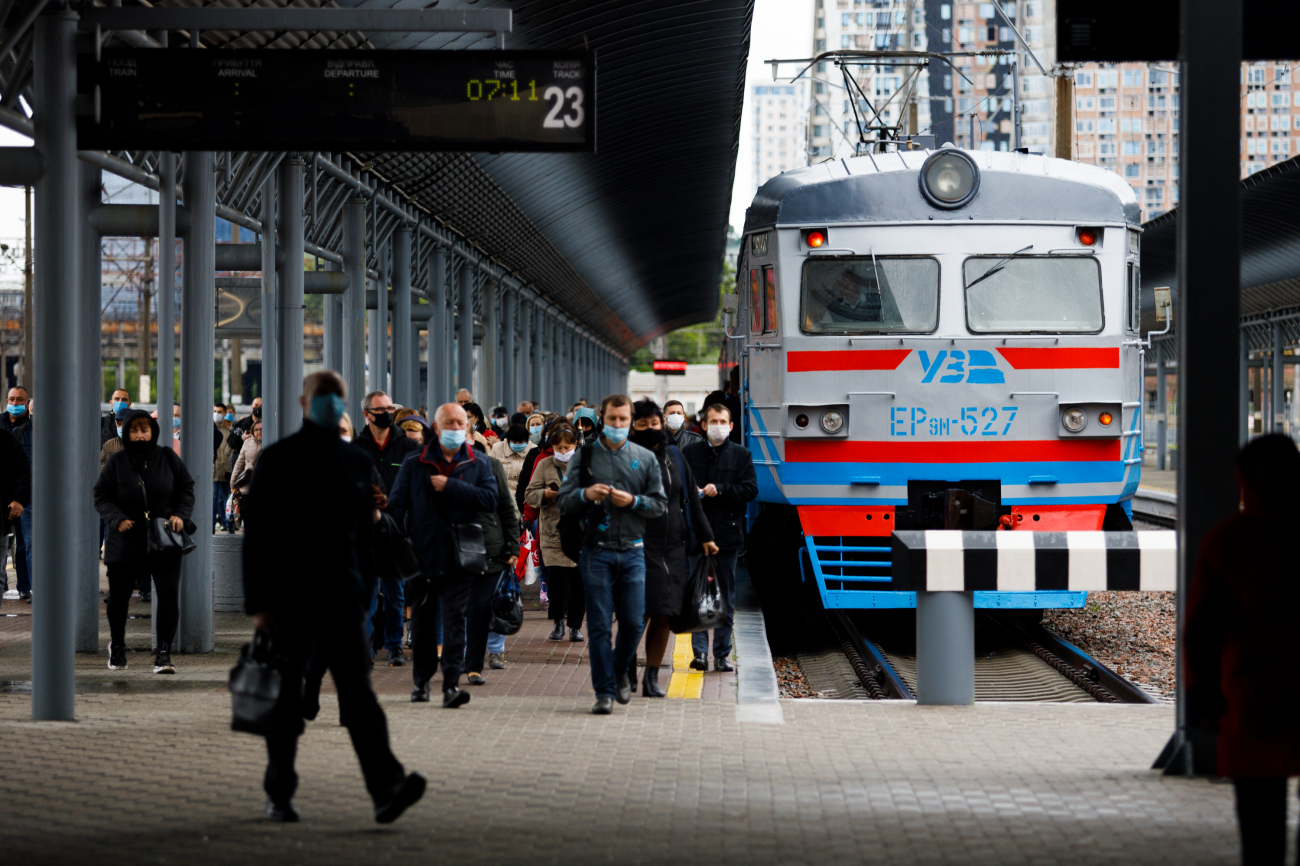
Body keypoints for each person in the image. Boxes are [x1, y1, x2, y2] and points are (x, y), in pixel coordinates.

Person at [242, 370, 425, 824]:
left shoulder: (356, 462)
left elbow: (363, 536)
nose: (329, 405)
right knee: (286, 699)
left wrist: (364, 592)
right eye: (323, 397)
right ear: (305, 403)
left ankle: (387, 788)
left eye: (335, 398)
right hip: (288, 598)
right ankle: (278, 792)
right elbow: (258, 537)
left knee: (359, 695)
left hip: (344, 596)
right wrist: (260, 606)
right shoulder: (278, 459)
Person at [1186, 434, 1300, 865]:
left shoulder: (1227, 541)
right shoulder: (1225, 544)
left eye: (1282, 476)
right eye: (1266, 477)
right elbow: (1201, 632)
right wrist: (1203, 690)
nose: (1276, 485)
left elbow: (1199, 629)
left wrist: (1204, 690)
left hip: (1254, 693)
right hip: (1255, 701)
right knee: (1261, 836)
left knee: (1261, 830)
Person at [557, 394, 666, 714]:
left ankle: (620, 671)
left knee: (633, 622)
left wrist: (632, 502)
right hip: (596, 551)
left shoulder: (644, 458)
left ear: (630, 421)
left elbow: (658, 504)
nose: (618, 425)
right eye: (612, 419)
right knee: (601, 625)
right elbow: (563, 501)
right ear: (602, 419)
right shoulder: (586, 456)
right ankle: (603, 691)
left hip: (633, 551)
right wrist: (584, 493)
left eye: (623, 419)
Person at [388, 402, 499, 708]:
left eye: (460, 423)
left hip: (462, 555)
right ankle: (421, 683)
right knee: (422, 623)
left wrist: (451, 486)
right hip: (421, 556)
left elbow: (490, 500)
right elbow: (397, 508)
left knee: (454, 620)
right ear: (435, 428)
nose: (454, 428)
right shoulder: (415, 462)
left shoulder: (478, 463)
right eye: (448, 423)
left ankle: (450, 685)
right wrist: (396, 544)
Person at [94, 410, 195, 674]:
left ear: (153, 432)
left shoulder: (167, 457)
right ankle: (117, 647)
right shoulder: (116, 462)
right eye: (134, 431)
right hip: (125, 538)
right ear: (126, 433)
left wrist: (180, 515)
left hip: (163, 537)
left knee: (168, 595)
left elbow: (186, 488)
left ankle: (163, 653)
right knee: (119, 598)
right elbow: (101, 495)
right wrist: (116, 518)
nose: (140, 435)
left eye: (144, 430)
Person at [629, 400, 717, 696]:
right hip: (638, 544)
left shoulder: (675, 456)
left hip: (674, 545)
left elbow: (692, 498)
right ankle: (627, 665)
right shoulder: (624, 457)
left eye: (655, 423)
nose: (651, 429)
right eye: (643, 424)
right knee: (639, 611)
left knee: (664, 612)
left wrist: (705, 536)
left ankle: (651, 677)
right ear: (633, 426)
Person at [681, 403, 757, 672]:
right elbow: (677, 488)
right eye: (713, 421)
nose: (718, 426)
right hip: (696, 536)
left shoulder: (741, 455)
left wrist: (722, 489)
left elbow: (750, 490)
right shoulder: (688, 454)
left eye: (723, 421)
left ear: (731, 426)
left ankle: (722, 655)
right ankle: (700, 653)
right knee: (699, 594)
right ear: (703, 425)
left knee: (725, 597)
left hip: (726, 535)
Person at [354, 390, 422, 668]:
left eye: (389, 408)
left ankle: (394, 646)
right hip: (364, 531)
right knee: (366, 594)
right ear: (366, 414)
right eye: (380, 409)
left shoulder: (407, 447)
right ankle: (367, 645)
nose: (386, 413)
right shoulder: (356, 448)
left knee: (396, 594)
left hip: (397, 531)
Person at [525, 423, 584, 642]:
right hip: (552, 531)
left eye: (567, 447)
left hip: (580, 532)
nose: (563, 451)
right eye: (558, 447)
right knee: (556, 581)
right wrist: (545, 494)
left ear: (575, 444)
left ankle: (575, 626)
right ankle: (558, 622)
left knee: (579, 583)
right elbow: (529, 494)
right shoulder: (544, 464)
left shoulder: (586, 464)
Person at [465, 452, 520, 682]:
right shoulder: (433, 465)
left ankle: (480, 661)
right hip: (452, 547)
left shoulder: (490, 465)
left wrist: (512, 546)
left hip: (490, 547)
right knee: (456, 608)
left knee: (486, 605)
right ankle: (460, 657)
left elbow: (507, 507)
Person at [4, 386, 32, 601]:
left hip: (24, 493)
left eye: (19, 400)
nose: (14, 404)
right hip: (6, 493)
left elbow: (25, 469)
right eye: (11, 399)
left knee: (24, 542)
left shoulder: (33, 427)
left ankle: (25, 585)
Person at [213, 404, 237, 533]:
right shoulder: (210, 429)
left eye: (219, 411)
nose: (216, 414)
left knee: (228, 500)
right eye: (214, 411)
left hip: (227, 471)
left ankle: (229, 525)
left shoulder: (231, 430)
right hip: (214, 471)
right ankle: (211, 527)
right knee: (213, 500)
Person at [489, 424, 529, 496]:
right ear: (508, 440)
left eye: (520, 442)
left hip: (525, 496)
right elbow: (491, 472)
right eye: (514, 442)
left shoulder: (532, 450)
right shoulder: (497, 448)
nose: (517, 444)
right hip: (502, 495)